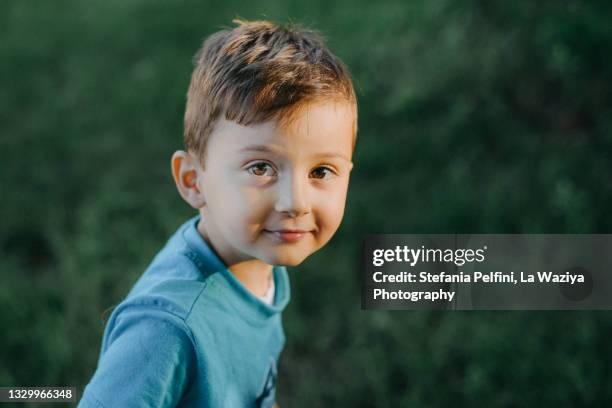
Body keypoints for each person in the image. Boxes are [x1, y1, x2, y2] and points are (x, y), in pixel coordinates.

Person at [78, 18, 357, 407]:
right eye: (261, 168)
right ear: (194, 181)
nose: (295, 202)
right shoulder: (168, 327)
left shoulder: (260, 259)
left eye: (320, 172)